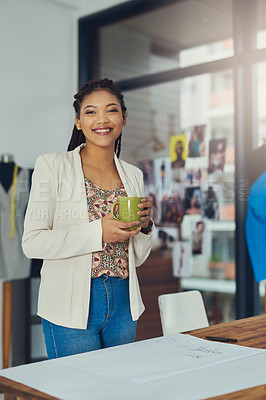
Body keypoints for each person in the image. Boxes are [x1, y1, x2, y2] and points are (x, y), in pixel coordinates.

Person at [22, 78, 154, 359]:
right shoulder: (52, 165)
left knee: (118, 388)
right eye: (91, 111)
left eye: (112, 110)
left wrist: (144, 227)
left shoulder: (133, 175)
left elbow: (137, 257)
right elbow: (32, 243)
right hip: (71, 303)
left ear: (124, 118)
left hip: (123, 303)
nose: (102, 119)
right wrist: (99, 232)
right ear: (78, 121)